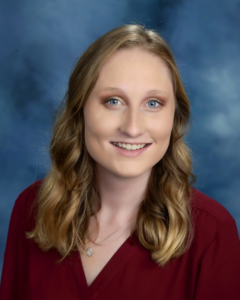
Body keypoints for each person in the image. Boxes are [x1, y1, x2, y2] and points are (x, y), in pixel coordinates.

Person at [0, 24, 240, 300]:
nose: (133, 128)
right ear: (80, 111)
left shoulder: (213, 233)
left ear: (174, 117)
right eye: (113, 101)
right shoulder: (30, 209)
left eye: (153, 103)